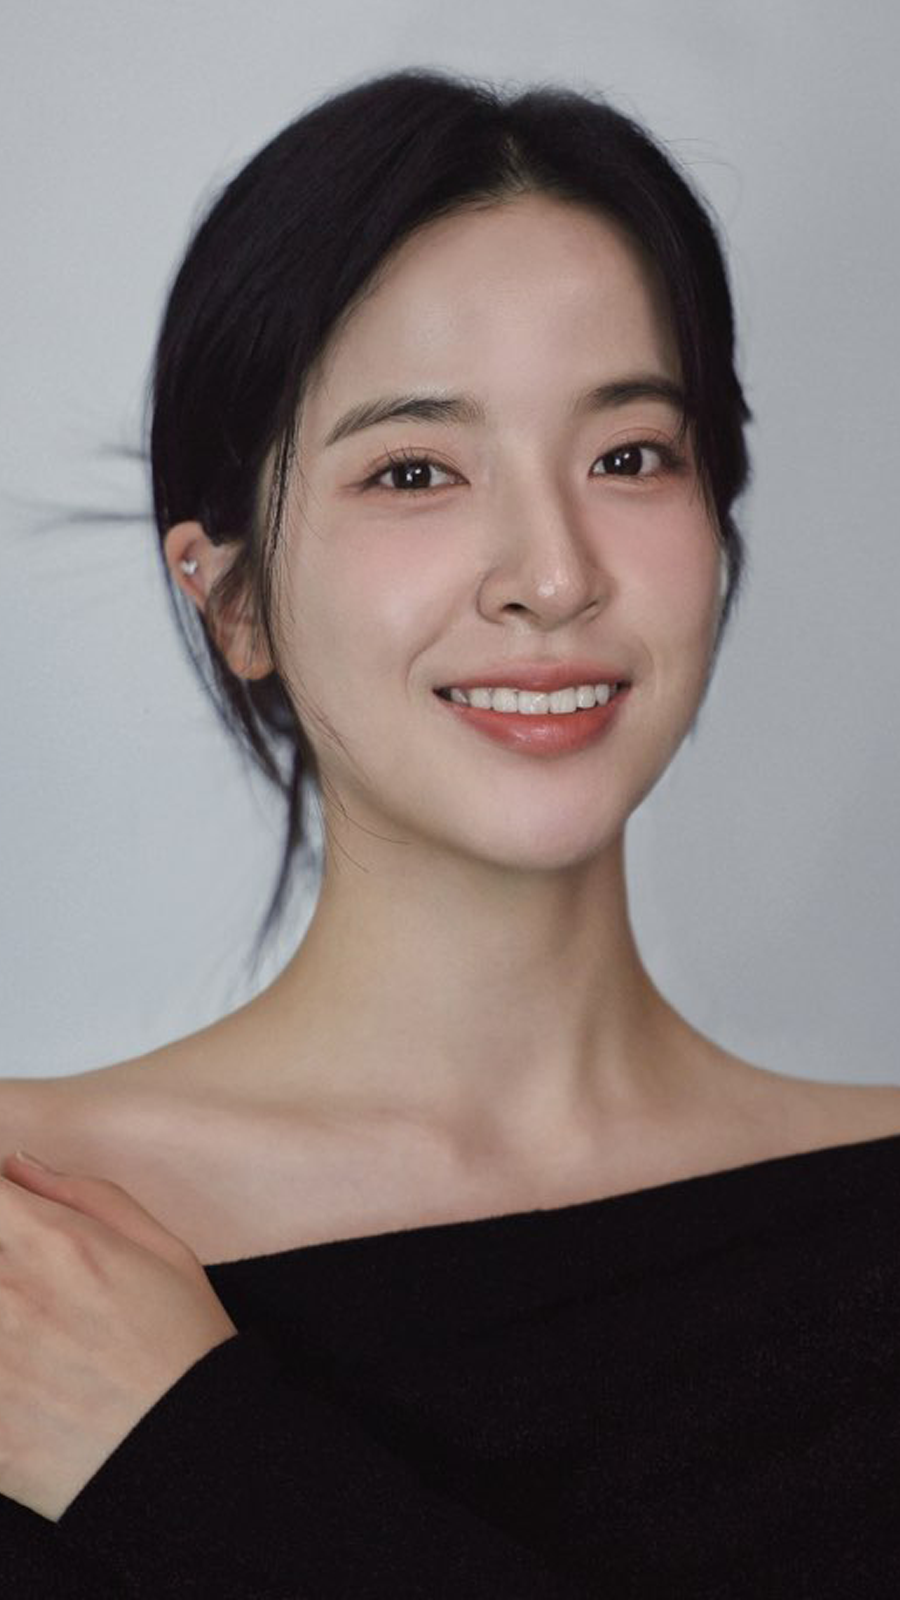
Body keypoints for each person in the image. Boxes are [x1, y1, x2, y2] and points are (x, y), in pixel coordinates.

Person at [1, 65, 899, 1597]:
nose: (552, 574)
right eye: (414, 471)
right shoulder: (30, 1242)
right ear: (232, 598)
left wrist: (174, 1458)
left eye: (630, 456)